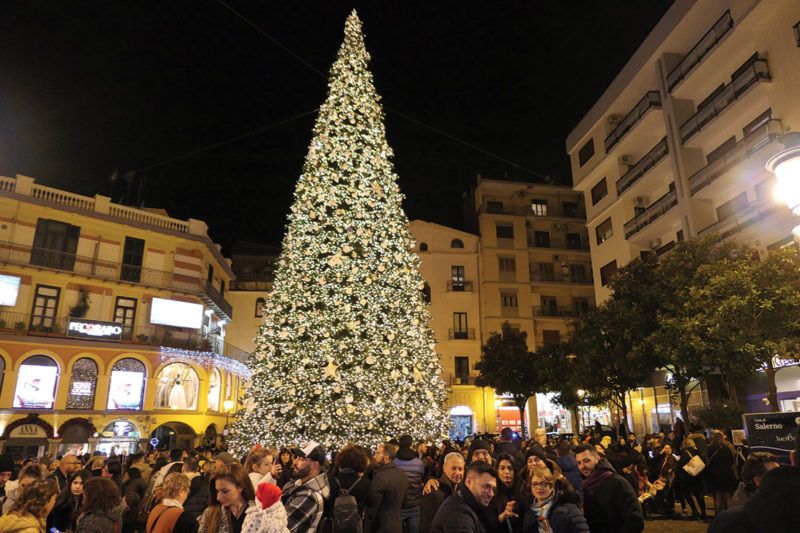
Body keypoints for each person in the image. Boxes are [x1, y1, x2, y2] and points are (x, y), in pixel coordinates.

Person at [708, 426, 800, 532]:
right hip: (727, 475)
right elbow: (732, 461)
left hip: (716, 476)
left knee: (719, 495)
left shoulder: (728, 523)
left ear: (792, 458)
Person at [574, 444, 643, 533]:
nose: (582, 466)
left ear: (597, 459)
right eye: (579, 463)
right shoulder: (583, 484)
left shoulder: (617, 483)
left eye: (587, 461)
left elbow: (635, 520)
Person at [429, 461, 497, 533]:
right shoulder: (459, 513)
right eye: (486, 487)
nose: (491, 494)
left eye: (493, 489)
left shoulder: (464, 502)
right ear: (469, 482)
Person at [280, 442, 329, 533]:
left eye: (301, 459)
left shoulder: (309, 496)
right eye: (296, 457)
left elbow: (278, 528)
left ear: (315, 465)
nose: (295, 462)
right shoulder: (299, 483)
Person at [523, 466, 588, 533]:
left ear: (551, 486)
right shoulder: (530, 513)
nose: (539, 487)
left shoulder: (568, 508)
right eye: (535, 484)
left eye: (544, 484)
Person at [199, 464, 258, 533]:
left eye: (225, 491)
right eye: (217, 491)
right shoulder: (210, 514)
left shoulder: (258, 513)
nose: (218, 497)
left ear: (240, 486)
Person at [327, 445, 374, 526]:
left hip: (333, 525)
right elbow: (370, 503)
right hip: (355, 525)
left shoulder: (330, 480)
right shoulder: (365, 483)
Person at [368, 442, 409, 533]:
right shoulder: (402, 474)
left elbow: (374, 506)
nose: (375, 456)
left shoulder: (380, 477)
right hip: (397, 525)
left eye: (378, 453)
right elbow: (405, 502)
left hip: (381, 527)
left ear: (386, 458)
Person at [420, 452, 464, 533]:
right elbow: (427, 527)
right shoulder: (433, 492)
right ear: (444, 468)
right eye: (453, 468)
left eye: (460, 469)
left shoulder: (461, 491)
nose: (458, 473)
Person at [395, 435, 424, 533]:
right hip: (415, 503)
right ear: (411, 445)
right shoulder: (419, 463)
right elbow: (421, 478)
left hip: (398, 505)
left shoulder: (394, 462)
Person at [674, 437, 706, 520]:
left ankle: (695, 511)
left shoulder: (684, 453)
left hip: (688, 477)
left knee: (687, 494)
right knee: (699, 495)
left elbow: (682, 466)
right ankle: (703, 512)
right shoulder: (697, 451)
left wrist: (678, 461)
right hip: (698, 475)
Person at [707, 429, 738, 514]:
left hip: (715, 475)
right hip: (727, 475)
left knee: (717, 495)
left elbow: (708, 464)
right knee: (727, 496)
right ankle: (729, 514)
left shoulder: (710, 449)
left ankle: (718, 514)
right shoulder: (726, 449)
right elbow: (732, 463)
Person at [493, 453, 522, 533]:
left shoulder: (522, 491)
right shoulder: (492, 493)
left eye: (510, 468)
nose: (506, 472)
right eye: (502, 468)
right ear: (497, 471)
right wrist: (502, 516)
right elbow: (489, 525)